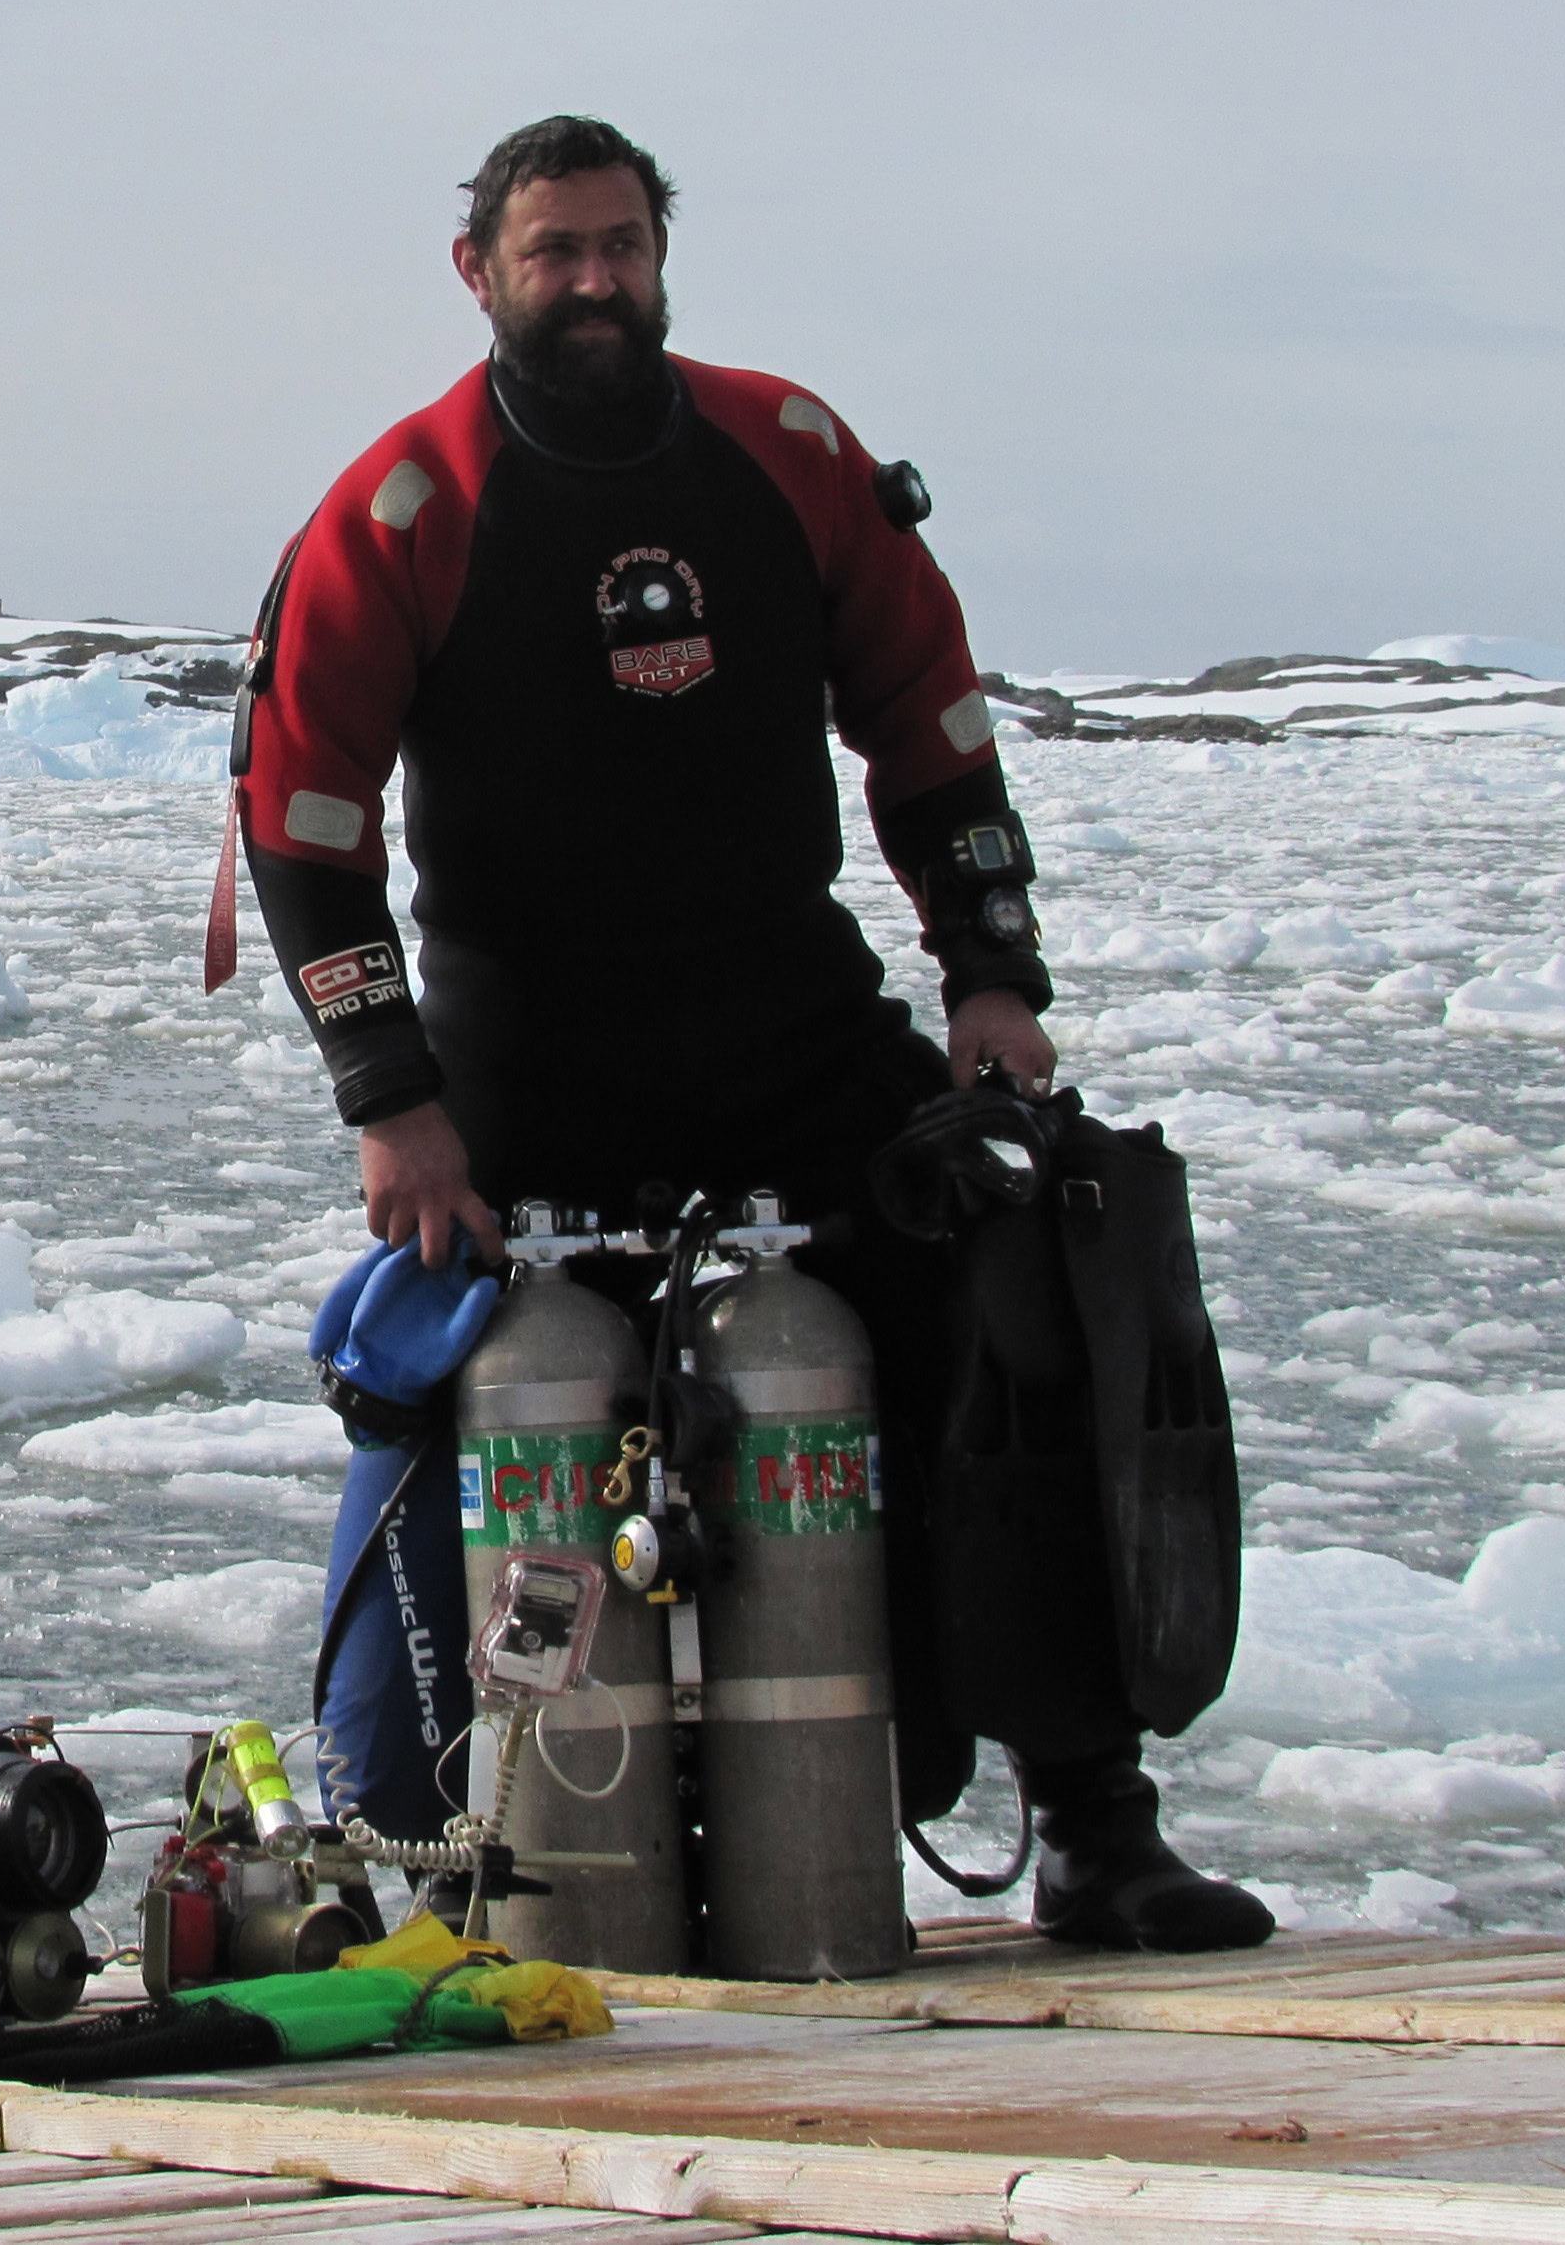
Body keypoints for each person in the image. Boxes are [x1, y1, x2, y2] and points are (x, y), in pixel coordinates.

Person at [236, 116, 1267, 1952]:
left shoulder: (784, 457)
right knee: (486, 1421)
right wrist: (392, 1101)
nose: (594, 281)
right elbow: (306, 820)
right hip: (525, 1075)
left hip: (787, 1038)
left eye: (622, 245)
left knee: (1015, 1323)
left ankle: (1097, 1820)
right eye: (553, 251)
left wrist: (991, 980)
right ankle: (468, 1857)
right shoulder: (409, 505)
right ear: (477, 271)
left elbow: (934, 731)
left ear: (662, 253)